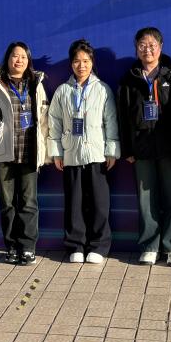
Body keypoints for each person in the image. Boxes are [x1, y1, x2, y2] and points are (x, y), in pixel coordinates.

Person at [0, 42, 50, 265]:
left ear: (29, 60)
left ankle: (28, 247)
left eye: (23, 57)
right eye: (15, 56)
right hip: (1, 151)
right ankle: (12, 247)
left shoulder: (36, 83)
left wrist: (46, 152)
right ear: (7, 59)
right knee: (7, 204)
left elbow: (44, 120)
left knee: (28, 202)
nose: (19, 60)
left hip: (29, 152)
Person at [117, 27, 171, 268]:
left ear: (161, 46)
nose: (147, 49)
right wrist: (127, 149)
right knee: (146, 200)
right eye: (142, 45)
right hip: (141, 149)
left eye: (152, 45)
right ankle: (149, 246)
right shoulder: (129, 79)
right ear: (136, 49)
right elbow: (122, 116)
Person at [48, 39, 120, 265]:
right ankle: (76, 245)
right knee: (74, 203)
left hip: (97, 154)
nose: (82, 66)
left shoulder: (102, 89)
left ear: (92, 62)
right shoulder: (63, 91)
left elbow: (111, 121)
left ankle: (99, 246)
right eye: (77, 61)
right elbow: (54, 123)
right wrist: (57, 152)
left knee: (99, 203)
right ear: (71, 64)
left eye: (86, 61)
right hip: (71, 154)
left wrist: (111, 150)